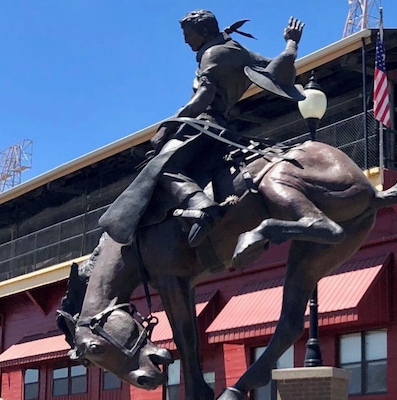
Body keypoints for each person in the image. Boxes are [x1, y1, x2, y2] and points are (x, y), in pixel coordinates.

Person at [99, 10, 305, 247]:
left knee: (160, 167)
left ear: (205, 32)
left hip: (204, 126)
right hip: (224, 129)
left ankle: (200, 205)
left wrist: (168, 127)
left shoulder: (212, 54)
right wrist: (291, 44)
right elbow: (276, 71)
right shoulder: (237, 51)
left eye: (189, 35)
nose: (186, 40)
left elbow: (203, 97)